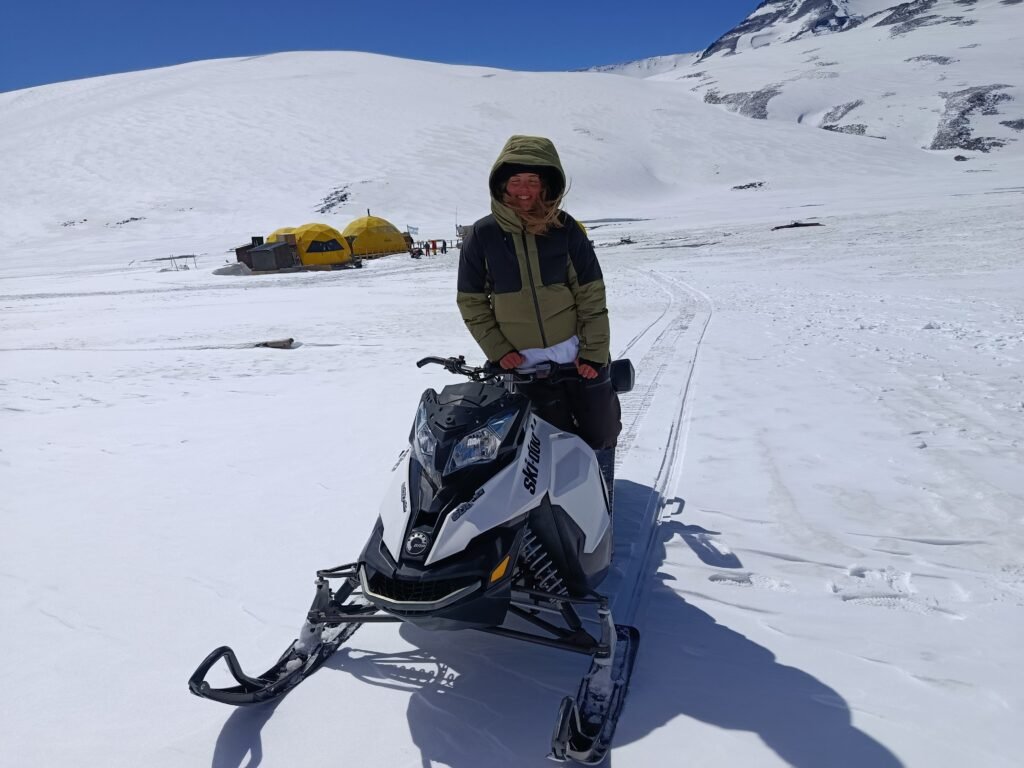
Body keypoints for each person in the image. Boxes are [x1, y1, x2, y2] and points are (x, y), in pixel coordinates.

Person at [456, 135, 620, 498]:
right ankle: (552, 502)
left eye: (533, 180)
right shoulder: (482, 235)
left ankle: (601, 493)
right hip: (521, 361)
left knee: (601, 427)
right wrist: (499, 351)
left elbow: (591, 294)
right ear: (502, 184)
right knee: (541, 439)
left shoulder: (565, 230)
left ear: (547, 183)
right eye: (516, 181)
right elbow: (471, 301)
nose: (524, 189)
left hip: (575, 354)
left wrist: (593, 352)